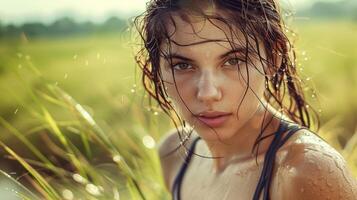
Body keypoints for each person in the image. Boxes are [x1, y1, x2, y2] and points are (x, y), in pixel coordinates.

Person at [133, 0, 357, 199]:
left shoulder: (303, 172)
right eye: (183, 65)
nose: (208, 93)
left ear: (273, 58)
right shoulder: (175, 155)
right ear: (156, 69)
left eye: (233, 61)